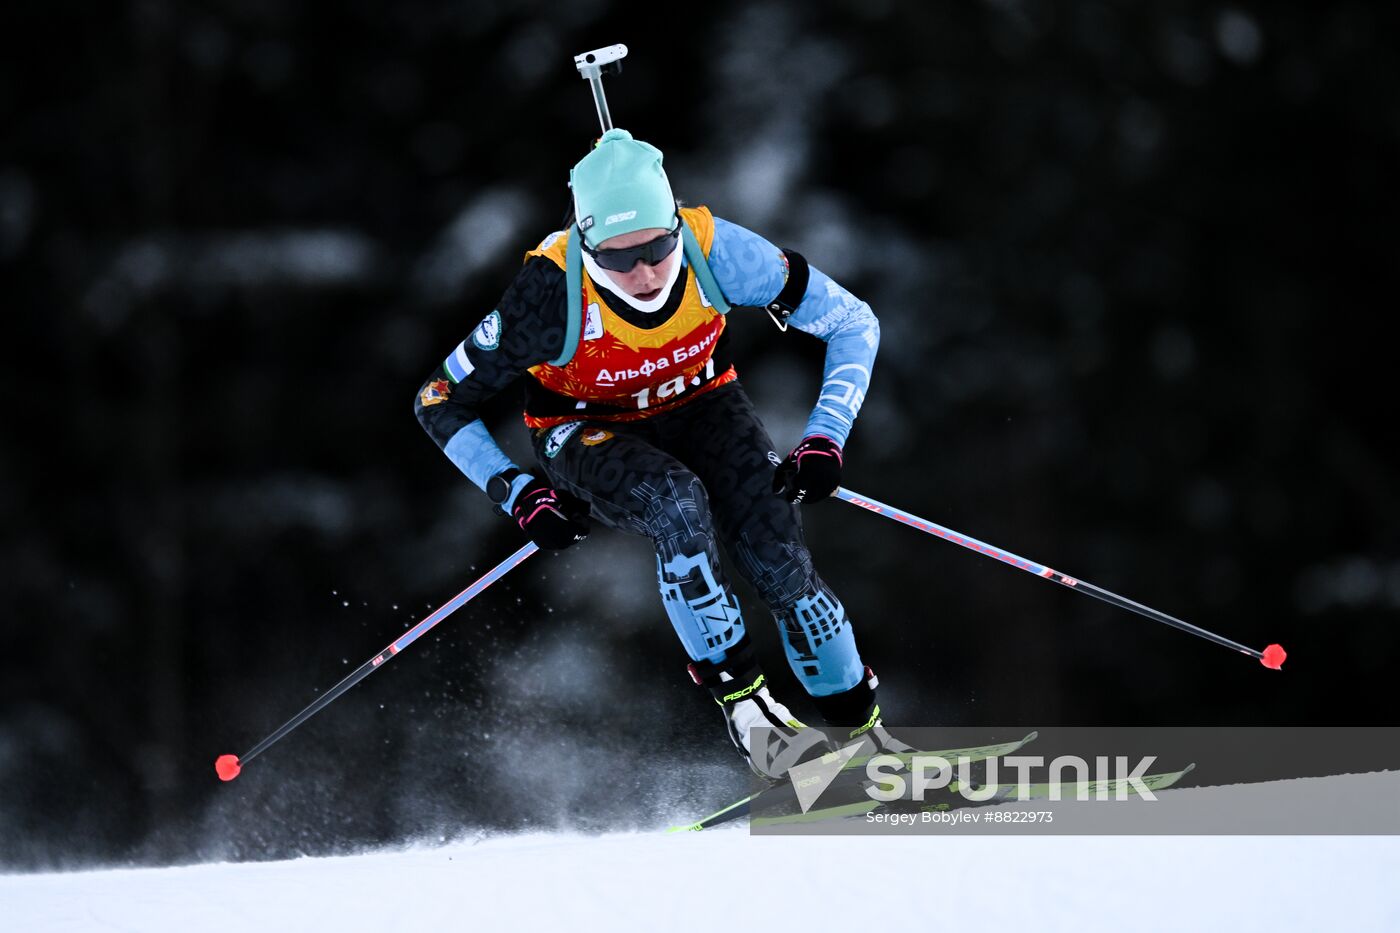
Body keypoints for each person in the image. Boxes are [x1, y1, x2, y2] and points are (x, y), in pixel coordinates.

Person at [415, 128, 908, 779]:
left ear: (676, 225)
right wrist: (516, 489)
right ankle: (753, 716)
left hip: (704, 407)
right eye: (619, 259)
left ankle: (865, 742)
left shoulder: (719, 251)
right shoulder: (546, 293)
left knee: (779, 560)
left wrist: (825, 437)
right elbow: (438, 400)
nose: (644, 272)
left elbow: (853, 322)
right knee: (677, 504)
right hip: (585, 429)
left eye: (656, 246)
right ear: (585, 246)